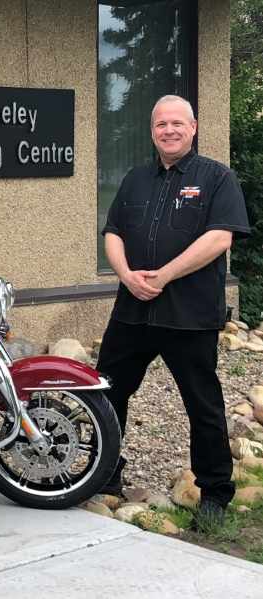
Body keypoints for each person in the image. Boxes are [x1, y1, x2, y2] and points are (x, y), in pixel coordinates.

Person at [97, 95, 250, 531]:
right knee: (108, 392)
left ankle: (215, 493)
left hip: (188, 314)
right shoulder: (134, 179)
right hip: (132, 311)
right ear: (152, 131)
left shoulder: (217, 178)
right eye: (161, 124)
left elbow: (220, 239)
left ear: (193, 127)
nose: (169, 130)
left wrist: (161, 276)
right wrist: (127, 275)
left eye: (177, 123)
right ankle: (105, 474)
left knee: (201, 404)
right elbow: (113, 233)